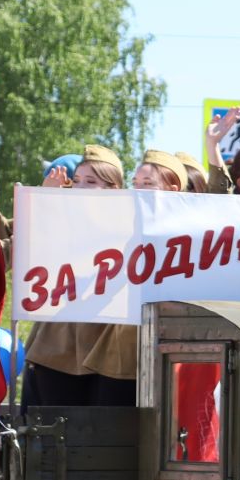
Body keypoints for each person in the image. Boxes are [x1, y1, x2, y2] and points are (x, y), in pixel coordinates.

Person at [21, 144, 143, 407]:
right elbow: (15, 239)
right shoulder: (56, 217)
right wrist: (45, 201)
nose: (79, 187)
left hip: (105, 349)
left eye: (91, 181)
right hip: (55, 345)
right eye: (76, 181)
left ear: (113, 189)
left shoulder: (133, 223)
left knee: (96, 434)